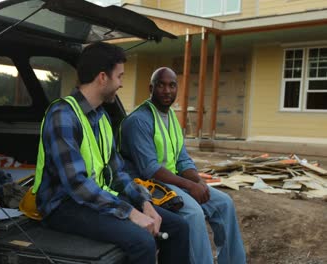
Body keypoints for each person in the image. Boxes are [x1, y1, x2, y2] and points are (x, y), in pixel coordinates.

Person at [32, 43, 190, 264]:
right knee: (142, 242)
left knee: (179, 226)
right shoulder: (63, 116)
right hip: (64, 206)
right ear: (103, 77)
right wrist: (130, 213)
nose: (122, 84)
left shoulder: (102, 117)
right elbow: (77, 184)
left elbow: (118, 173)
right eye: (120, 77)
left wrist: (144, 202)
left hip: (97, 198)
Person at [120, 67, 246, 264]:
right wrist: (189, 186)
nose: (167, 91)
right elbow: (150, 169)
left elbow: (182, 160)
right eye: (161, 85)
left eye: (172, 85)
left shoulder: (171, 119)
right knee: (193, 213)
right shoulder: (138, 121)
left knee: (224, 203)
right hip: (148, 184)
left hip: (172, 182)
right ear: (151, 88)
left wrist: (198, 181)